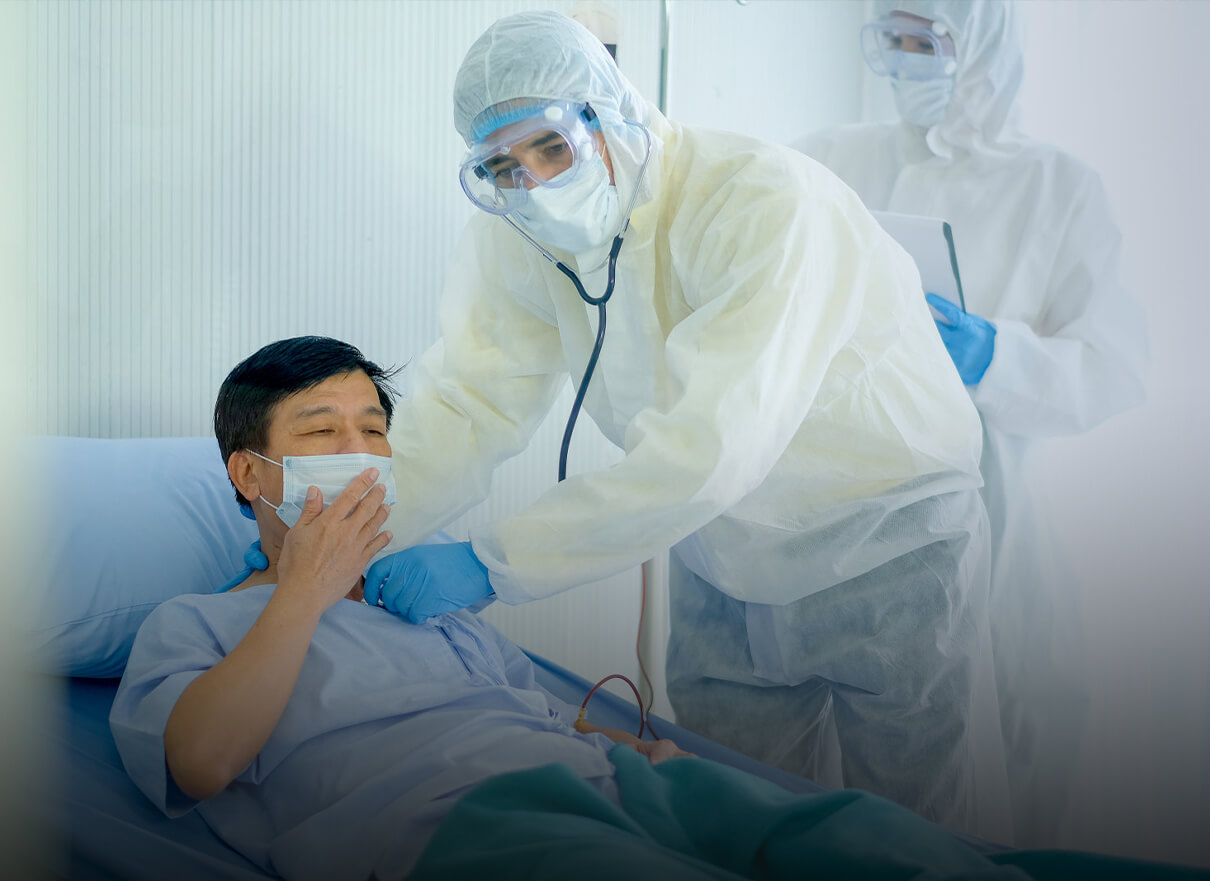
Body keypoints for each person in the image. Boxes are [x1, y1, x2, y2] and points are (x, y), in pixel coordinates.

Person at [364, 10, 1013, 840]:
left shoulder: (761, 200)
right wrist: (357, 518)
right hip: (721, 546)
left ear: (609, 113)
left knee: (913, 834)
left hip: (887, 539)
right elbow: (469, 401)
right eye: (501, 167)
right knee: (729, 814)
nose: (532, 184)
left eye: (552, 147)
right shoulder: (519, 233)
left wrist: (490, 562)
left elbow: (714, 443)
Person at [109, 336, 695, 880]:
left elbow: (541, 716)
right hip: (475, 824)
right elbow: (200, 764)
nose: (358, 451)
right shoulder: (198, 624)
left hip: (620, 783)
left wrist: (637, 752)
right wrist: (305, 589)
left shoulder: (428, 604)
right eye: (322, 430)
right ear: (248, 473)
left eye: (373, 429)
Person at [793, 0, 1147, 846]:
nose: (904, 60)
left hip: (1001, 514)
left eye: (925, 41)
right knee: (845, 784)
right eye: (892, 39)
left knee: (1005, 761)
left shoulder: (1060, 187)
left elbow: (1115, 367)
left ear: (983, 43)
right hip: (845, 507)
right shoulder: (835, 156)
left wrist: (996, 354)